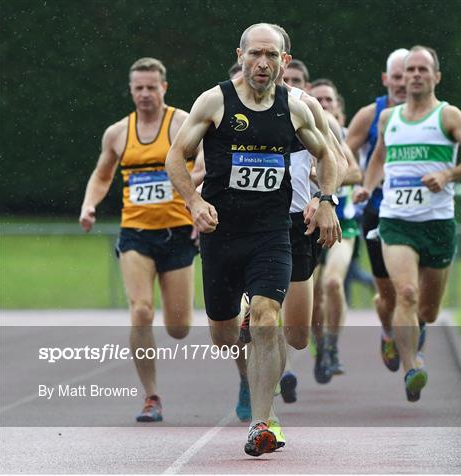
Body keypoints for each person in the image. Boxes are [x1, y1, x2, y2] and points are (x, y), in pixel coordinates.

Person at [165, 23, 341, 457]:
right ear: (241, 54)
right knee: (224, 336)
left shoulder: (296, 108)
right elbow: (175, 156)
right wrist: (193, 201)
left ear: (284, 59)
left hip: (271, 232)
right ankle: (244, 353)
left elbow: (328, 156)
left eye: (271, 56)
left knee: (266, 319)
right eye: (255, 54)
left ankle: (262, 423)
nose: (262, 64)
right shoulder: (214, 101)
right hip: (222, 233)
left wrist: (325, 200)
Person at [355, 45, 461, 402]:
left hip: (437, 223)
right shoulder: (389, 119)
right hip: (396, 221)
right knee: (407, 294)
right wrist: (367, 188)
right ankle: (411, 366)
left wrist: (448, 173)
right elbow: (379, 155)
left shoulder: (449, 117)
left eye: (422, 69)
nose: (414, 75)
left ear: (436, 77)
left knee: (428, 309)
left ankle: (415, 335)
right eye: (410, 69)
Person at [79, 58, 198, 422]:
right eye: (138, 88)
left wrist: (198, 202)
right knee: (141, 310)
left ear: (164, 87)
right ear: (131, 91)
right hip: (136, 234)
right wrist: (89, 205)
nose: (145, 94)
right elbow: (102, 176)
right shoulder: (117, 133)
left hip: (178, 232)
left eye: (151, 87)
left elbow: (208, 163)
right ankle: (151, 397)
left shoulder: (182, 124)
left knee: (179, 327)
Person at [346, 48, 409, 372]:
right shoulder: (371, 115)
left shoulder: (433, 115)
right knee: (387, 292)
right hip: (376, 207)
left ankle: (412, 326)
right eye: (396, 77)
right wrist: (356, 181)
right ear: (386, 79)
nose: (402, 83)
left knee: (413, 290)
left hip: (416, 211)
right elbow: (343, 154)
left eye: (407, 75)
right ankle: (387, 331)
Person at [309, 78, 362, 383]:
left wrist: (325, 179)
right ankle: (322, 347)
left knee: (331, 283)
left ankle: (332, 347)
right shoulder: (294, 126)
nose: (324, 106)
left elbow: (355, 171)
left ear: (338, 107)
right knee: (314, 297)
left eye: (329, 100)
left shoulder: (336, 133)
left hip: (345, 225)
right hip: (308, 224)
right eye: (319, 100)